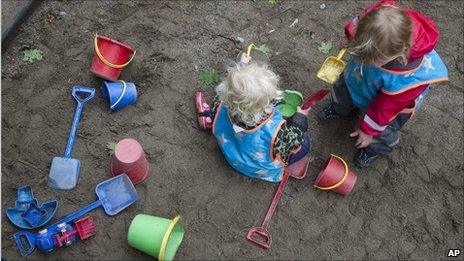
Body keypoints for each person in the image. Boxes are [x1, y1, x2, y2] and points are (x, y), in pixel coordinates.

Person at [319, 0, 448, 167]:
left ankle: (375, 148)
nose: (365, 61)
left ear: (401, 54)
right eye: (361, 54)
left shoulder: (404, 80)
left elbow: (383, 110)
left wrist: (368, 131)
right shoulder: (373, 21)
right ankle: (340, 108)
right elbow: (356, 25)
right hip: (359, 78)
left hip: (389, 108)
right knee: (343, 88)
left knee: (383, 130)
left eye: (372, 60)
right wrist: (350, 38)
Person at [196, 54, 310, 182]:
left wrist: (241, 66)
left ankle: (209, 118)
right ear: (264, 107)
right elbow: (292, 141)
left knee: (219, 115)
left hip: (232, 154)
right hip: (258, 169)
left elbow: (235, 90)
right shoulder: (275, 134)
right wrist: (300, 120)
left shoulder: (222, 103)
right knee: (304, 143)